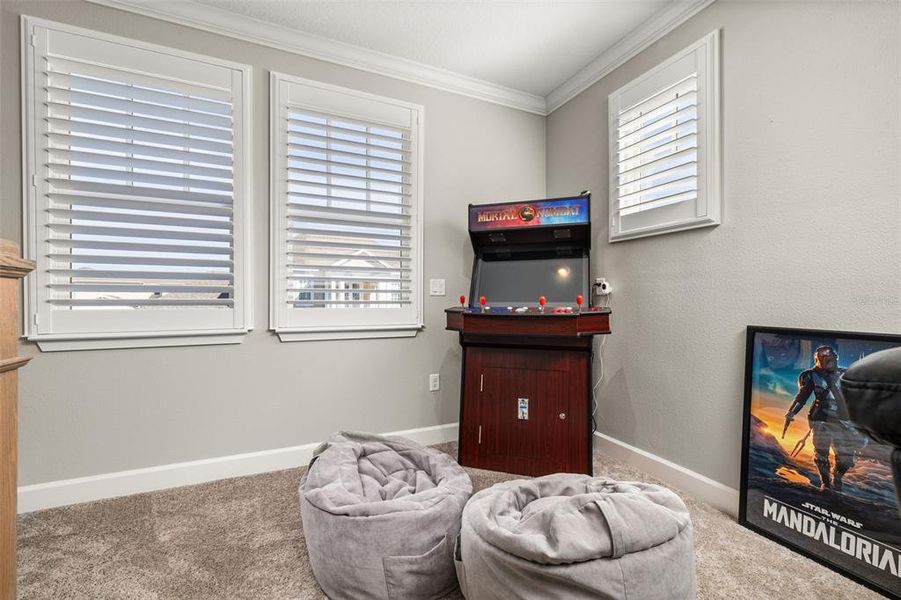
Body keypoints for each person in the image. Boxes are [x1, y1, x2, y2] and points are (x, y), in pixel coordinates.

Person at [782, 345, 866, 492]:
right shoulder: (811, 375)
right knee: (821, 452)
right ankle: (826, 484)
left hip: (842, 419)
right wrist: (791, 413)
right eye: (822, 356)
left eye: (828, 356)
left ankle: (838, 476)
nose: (825, 358)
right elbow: (802, 397)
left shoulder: (846, 374)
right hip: (820, 417)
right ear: (817, 358)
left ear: (834, 357)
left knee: (846, 457)